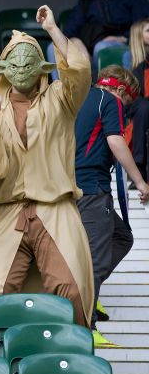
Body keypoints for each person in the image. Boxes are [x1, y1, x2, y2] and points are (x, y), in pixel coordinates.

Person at [0, 5, 94, 326]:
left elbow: (79, 72)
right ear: (3, 68)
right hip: (8, 211)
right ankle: (1, 367)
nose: (23, 67)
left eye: (30, 62)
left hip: (55, 207)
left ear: (42, 67)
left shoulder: (60, 98)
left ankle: (74, 359)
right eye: (15, 62)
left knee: (72, 290)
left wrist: (53, 30)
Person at [75, 65, 149, 346]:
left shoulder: (84, 98)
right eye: (128, 106)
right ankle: (86, 325)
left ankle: (90, 294)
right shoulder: (111, 100)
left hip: (76, 186)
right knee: (96, 260)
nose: (125, 112)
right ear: (121, 90)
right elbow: (116, 141)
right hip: (93, 189)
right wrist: (141, 183)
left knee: (122, 236)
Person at [127, 19, 149, 178]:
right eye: (148, 30)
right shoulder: (137, 70)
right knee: (142, 105)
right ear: (139, 37)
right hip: (142, 109)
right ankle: (138, 166)